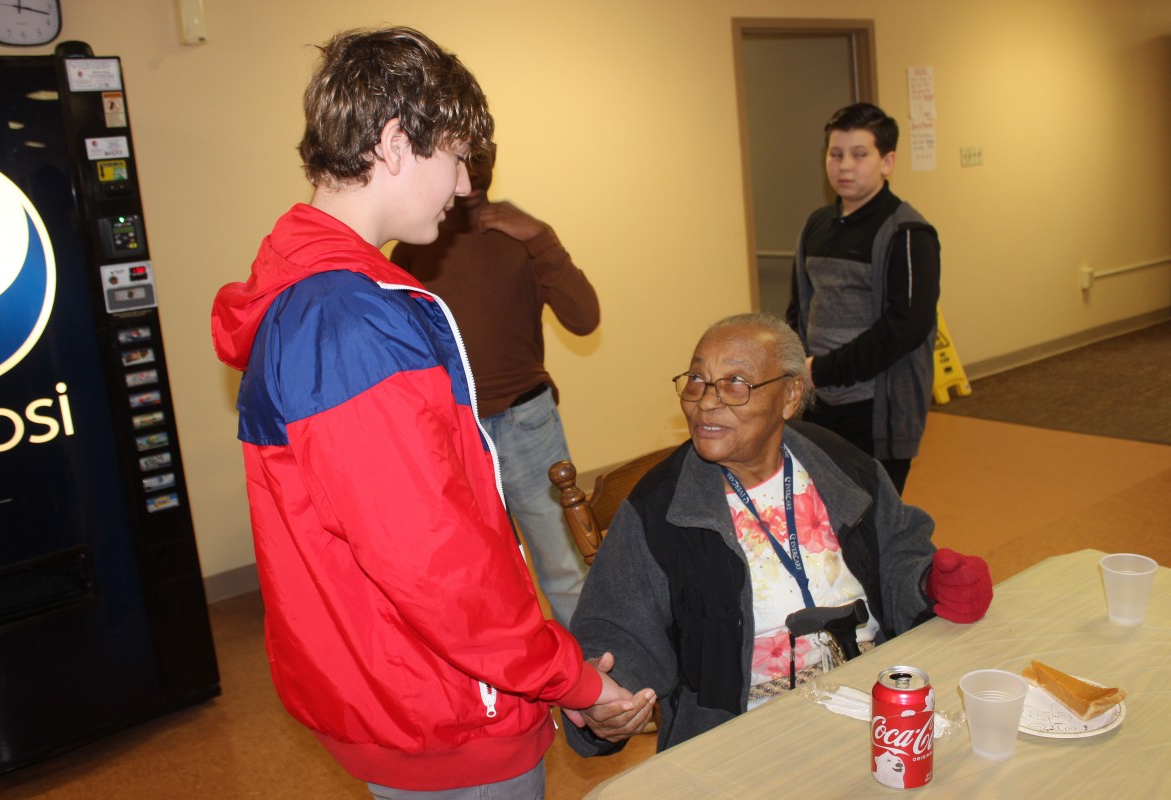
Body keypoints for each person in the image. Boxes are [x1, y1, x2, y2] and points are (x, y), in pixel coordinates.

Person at [210, 28, 631, 798]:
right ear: (398, 142)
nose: (467, 185)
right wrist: (571, 680)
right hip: (442, 711)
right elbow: (435, 562)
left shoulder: (326, 300)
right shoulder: (348, 322)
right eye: (458, 158)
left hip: (415, 686)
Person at [563, 313, 991, 756]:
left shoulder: (842, 465)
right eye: (697, 379)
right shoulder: (658, 509)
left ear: (789, 396)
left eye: (735, 382)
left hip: (872, 697)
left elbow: (899, 550)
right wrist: (606, 695)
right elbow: (614, 631)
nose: (706, 401)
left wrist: (929, 583)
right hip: (742, 732)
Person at [391, 146, 598, 627]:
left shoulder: (521, 236)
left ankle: (597, 692)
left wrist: (544, 239)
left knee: (565, 569)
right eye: (463, 151)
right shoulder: (415, 246)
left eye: (482, 150)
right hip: (455, 432)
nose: (474, 164)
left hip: (529, 425)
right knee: (483, 579)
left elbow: (584, 319)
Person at [785, 102, 940, 495]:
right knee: (818, 517)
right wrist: (797, 366)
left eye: (859, 154)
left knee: (871, 524)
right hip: (817, 401)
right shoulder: (817, 225)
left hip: (876, 409)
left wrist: (823, 370)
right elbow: (799, 308)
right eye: (836, 154)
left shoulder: (908, 232)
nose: (844, 166)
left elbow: (905, 328)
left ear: (887, 162)